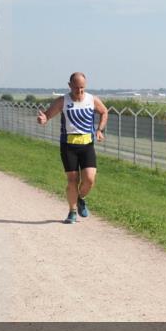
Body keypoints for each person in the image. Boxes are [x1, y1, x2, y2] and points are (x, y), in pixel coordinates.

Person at [36, 72, 108, 224]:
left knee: (89, 179)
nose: (79, 91)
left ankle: (80, 198)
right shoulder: (63, 101)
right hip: (68, 146)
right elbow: (48, 116)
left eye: (82, 87)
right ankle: (72, 212)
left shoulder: (92, 99)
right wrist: (43, 119)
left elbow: (104, 111)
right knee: (72, 180)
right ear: (69, 86)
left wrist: (100, 130)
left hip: (87, 145)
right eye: (76, 88)